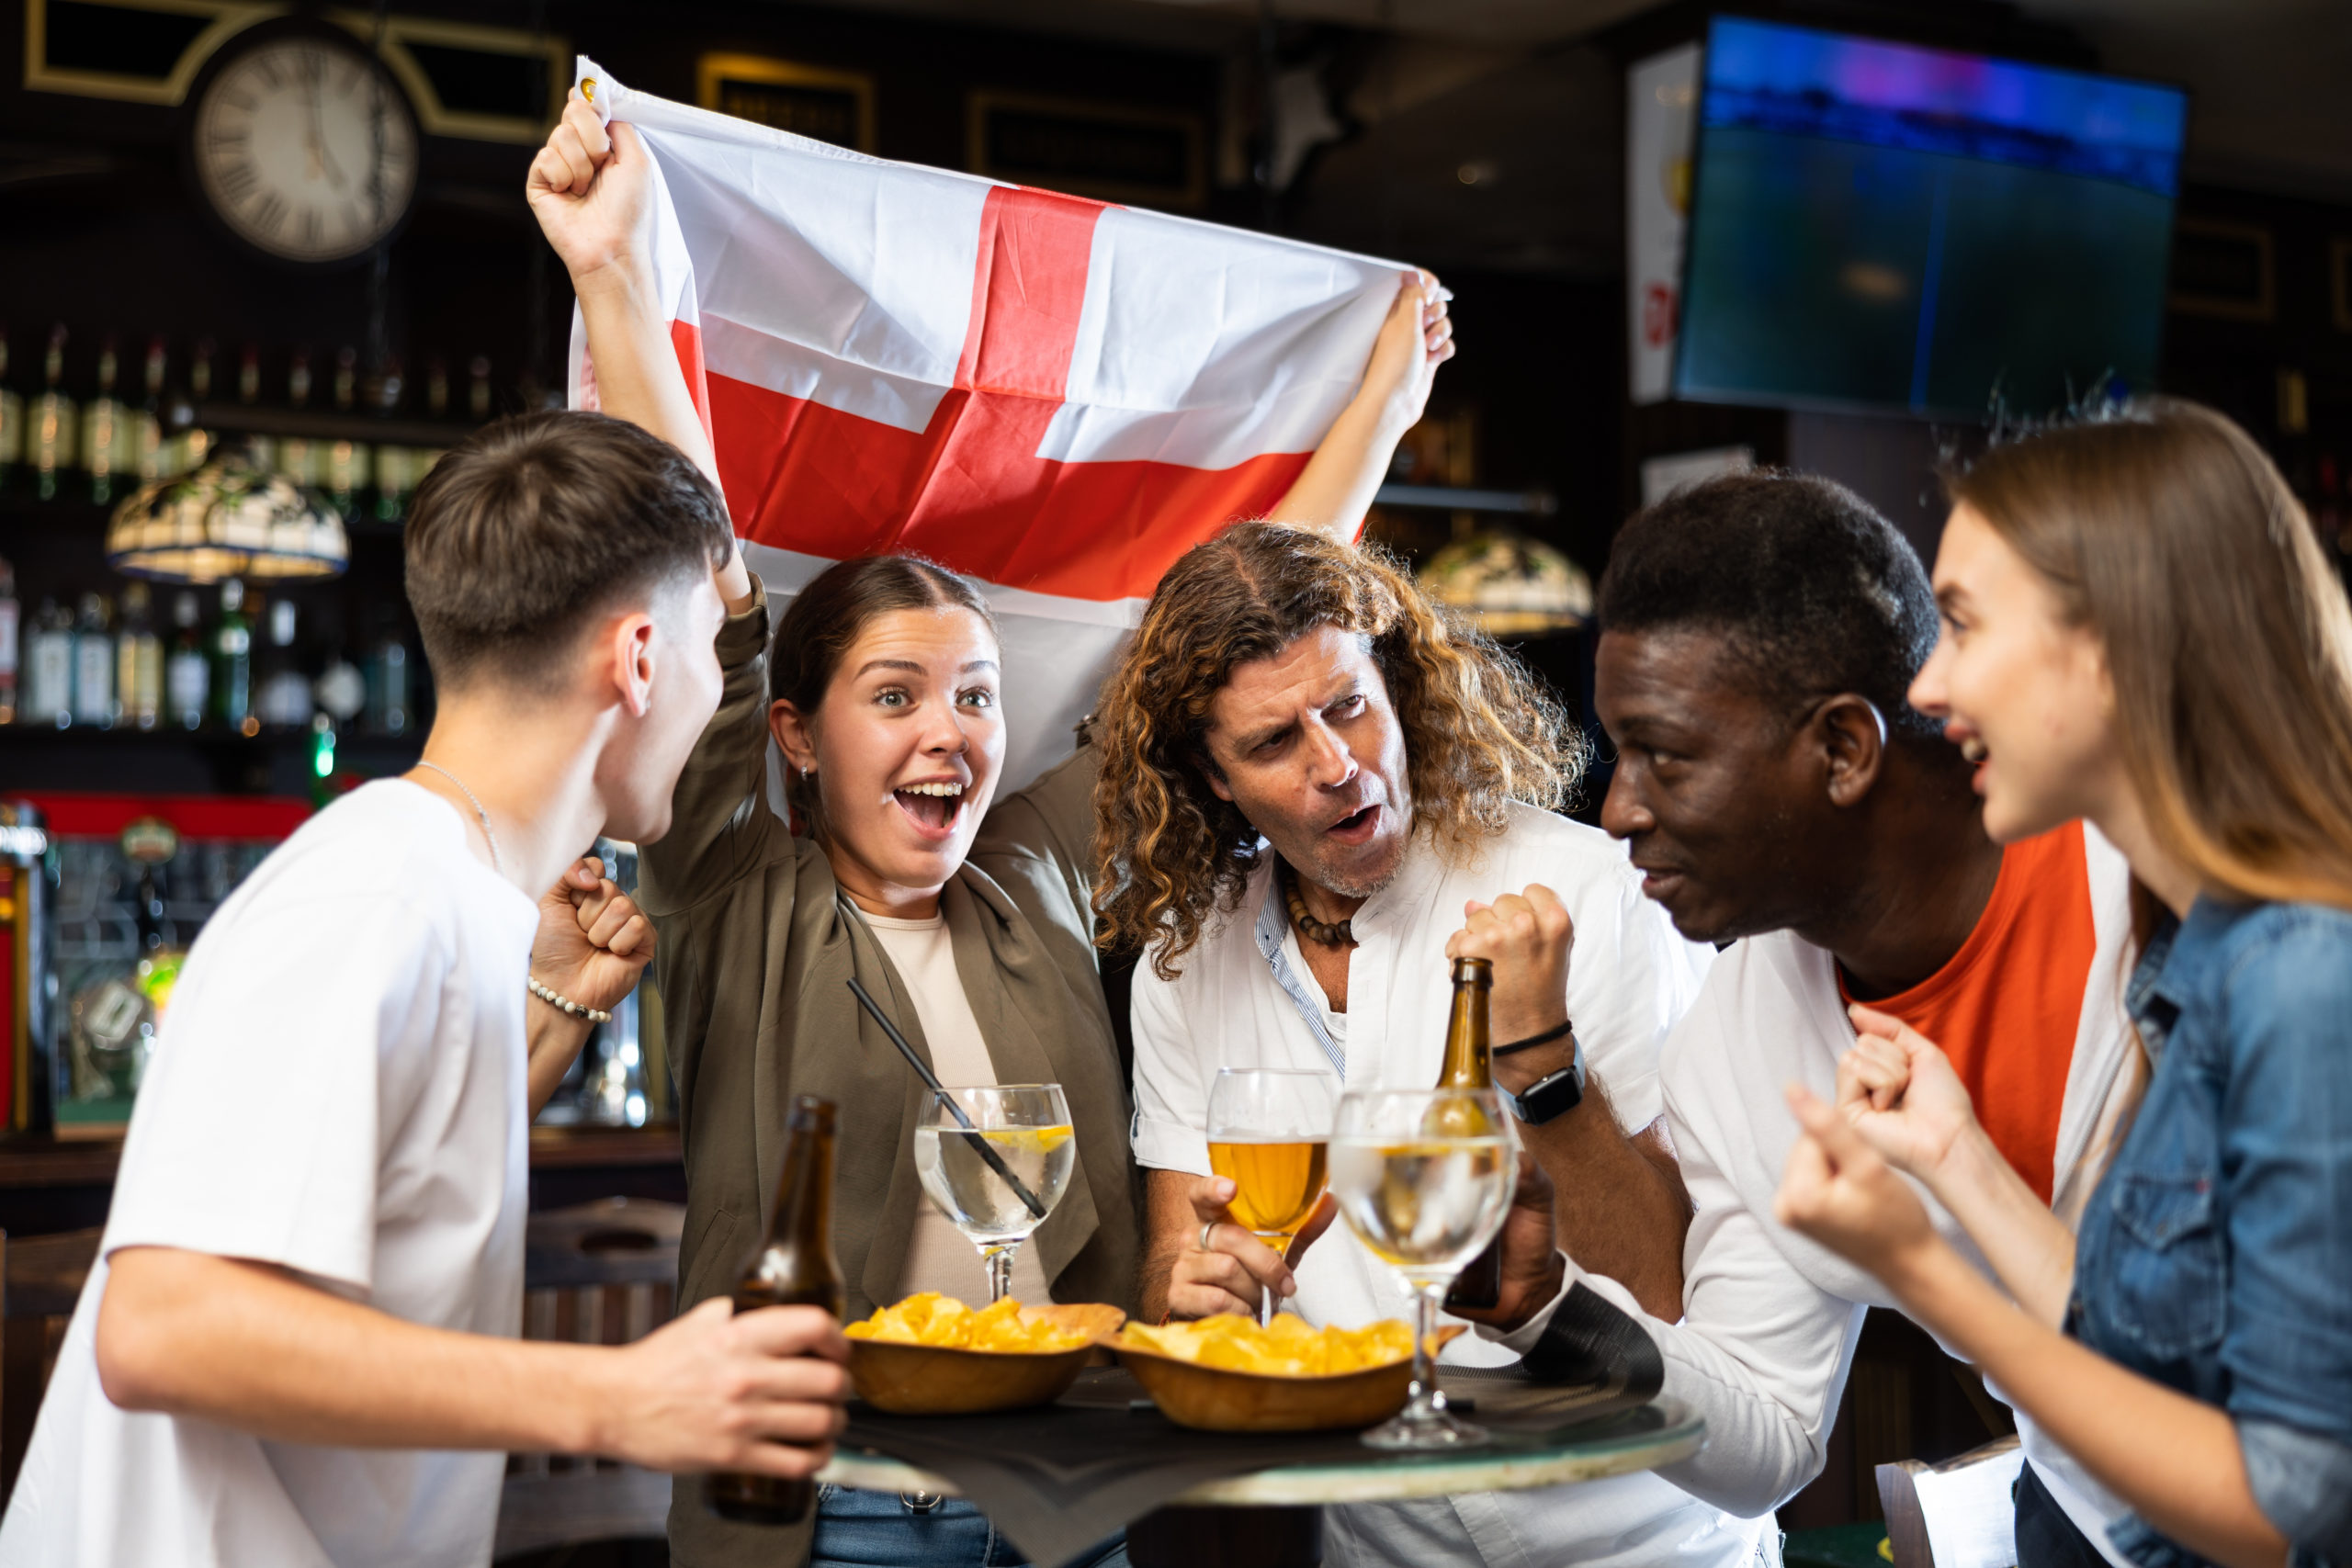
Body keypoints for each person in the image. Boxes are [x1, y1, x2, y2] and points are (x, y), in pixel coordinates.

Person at [525, 88, 1451, 1568]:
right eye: (894, 696)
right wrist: (612, 272)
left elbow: (1206, 645)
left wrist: (1380, 413)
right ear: (794, 735)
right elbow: (705, 578)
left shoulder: (1030, 871)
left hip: (1063, 1502)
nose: (948, 730)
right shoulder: (733, 886)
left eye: (975, 693)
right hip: (826, 1515)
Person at [0, 412, 854, 1568]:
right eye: (712, 647)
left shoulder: (442, 887)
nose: (717, 698)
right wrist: (619, 1397)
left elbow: (393, 1189)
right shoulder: (379, 897)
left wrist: (553, 1015)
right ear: (642, 660)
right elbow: (164, 1328)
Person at [1455, 468, 2150, 1562]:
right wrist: (1553, 1313)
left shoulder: (2150, 871)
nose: (1619, 809)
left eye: (1665, 756)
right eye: (1619, 752)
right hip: (2089, 1517)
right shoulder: (1738, 1043)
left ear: (1842, 750)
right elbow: (1768, 1440)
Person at [1093, 523, 1751, 1568]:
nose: (1337, 764)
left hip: (1635, 1540)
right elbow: (1182, 1274)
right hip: (1372, 1544)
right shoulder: (1185, 960)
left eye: (1349, 705)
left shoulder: (1593, 893)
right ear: (1213, 776)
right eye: (1273, 743)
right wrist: (1193, 1298)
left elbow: (1668, 1293)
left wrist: (1546, 1065)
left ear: (1394, 684)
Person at [1775, 402, 2352, 1568]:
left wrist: (1920, 1267)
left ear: (2115, 642)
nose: (1927, 686)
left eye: (1963, 624)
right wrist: (1956, 1158)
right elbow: (2141, 1360)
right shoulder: (2190, 949)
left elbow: (2285, 1507)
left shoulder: (2301, 980)